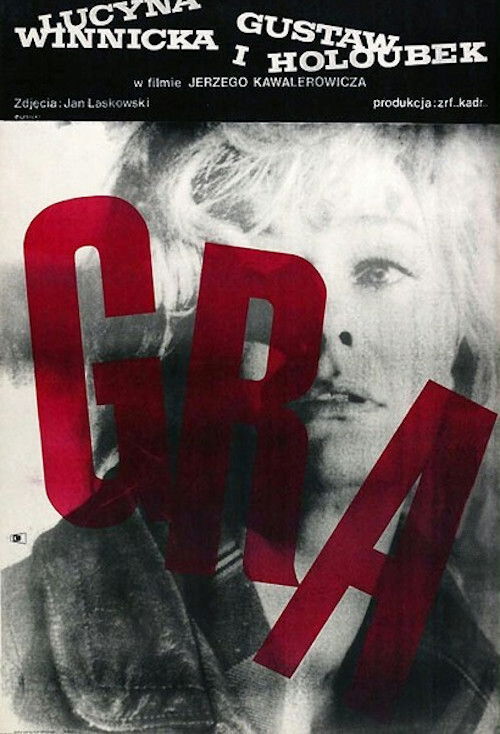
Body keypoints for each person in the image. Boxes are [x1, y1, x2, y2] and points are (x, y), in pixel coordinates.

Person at [2, 123, 498, 732]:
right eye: (260, 278)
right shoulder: (15, 642)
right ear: (179, 329)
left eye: (377, 271)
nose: (320, 326)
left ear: (460, 329)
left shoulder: (476, 687)